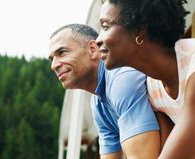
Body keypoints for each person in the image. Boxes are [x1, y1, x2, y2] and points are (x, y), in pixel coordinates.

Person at [96, 0, 195, 158]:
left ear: (139, 29)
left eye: (106, 26)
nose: (97, 40)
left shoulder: (192, 63)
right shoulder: (153, 89)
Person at [49, 23, 160, 159]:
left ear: (92, 49)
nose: (54, 65)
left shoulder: (120, 78)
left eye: (62, 53)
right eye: (51, 59)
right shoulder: (98, 103)